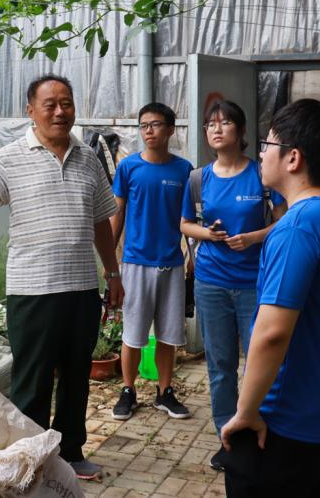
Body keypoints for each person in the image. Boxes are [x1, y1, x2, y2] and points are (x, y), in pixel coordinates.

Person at [0, 74, 122, 481]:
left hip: (82, 287)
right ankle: (31, 458)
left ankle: (70, 452)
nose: (60, 111)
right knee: (32, 379)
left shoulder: (87, 157)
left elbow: (102, 219)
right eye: (50, 104)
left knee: (76, 375)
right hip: (32, 290)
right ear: (30, 110)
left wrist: (112, 271)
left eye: (66, 103)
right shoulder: (11, 156)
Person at [218, 99, 320, 498]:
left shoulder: (298, 227)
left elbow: (272, 334)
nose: (261, 155)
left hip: (286, 421)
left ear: (292, 158)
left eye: (267, 145)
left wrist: (246, 413)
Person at [179, 100, 283, 441]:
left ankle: (263, 425)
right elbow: (185, 224)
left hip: (255, 284)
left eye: (224, 123)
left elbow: (285, 220)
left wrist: (255, 237)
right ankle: (228, 434)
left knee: (262, 361)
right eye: (211, 125)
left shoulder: (261, 175)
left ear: (240, 130)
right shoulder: (198, 178)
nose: (217, 129)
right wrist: (209, 234)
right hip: (211, 283)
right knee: (220, 366)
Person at [109, 102, 194, 421]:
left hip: (171, 263)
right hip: (135, 263)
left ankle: (164, 392)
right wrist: (110, 264)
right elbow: (117, 214)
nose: (148, 130)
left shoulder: (184, 170)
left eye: (156, 124)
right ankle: (128, 390)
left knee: (169, 334)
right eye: (143, 125)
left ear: (170, 129)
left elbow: (189, 216)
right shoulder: (129, 168)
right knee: (132, 333)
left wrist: (192, 255)